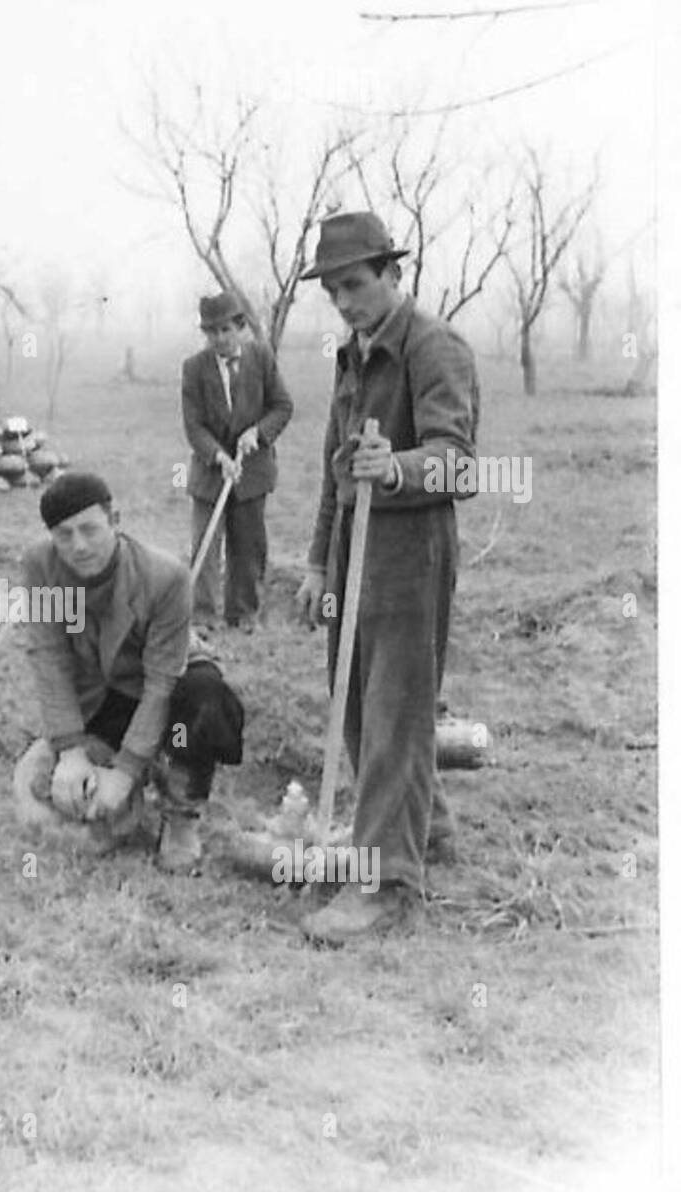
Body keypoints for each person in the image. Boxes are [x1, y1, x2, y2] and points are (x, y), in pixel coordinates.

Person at [292, 213, 479, 943]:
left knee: (395, 711)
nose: (344, 300)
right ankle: (425, 825)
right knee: (358, 706)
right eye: (333, 289)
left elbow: (459, 463)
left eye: (356, 284)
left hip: (410, 555)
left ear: (393, 275)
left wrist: (395, 467)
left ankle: (384, 886)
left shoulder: (435, 348)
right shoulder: (353, 354)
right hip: (350, 554)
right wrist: (315, 561)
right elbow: (335, 472)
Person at [15, 471, 244, 872]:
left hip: (171, 678)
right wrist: (70, 751)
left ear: (115, 520)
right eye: (64, 534)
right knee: (43, 779)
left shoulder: (165, 576)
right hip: (105, 687)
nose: (78, 545)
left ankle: (181, 814)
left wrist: (124, 773)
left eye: (89, 529)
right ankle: (113, 759)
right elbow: (49, 656)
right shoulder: (42, 565)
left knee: (203, 699)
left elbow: (160, 683)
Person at [181, 290, 294, 632]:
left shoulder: (262, 358)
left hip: (252, 470)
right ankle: (202, 617)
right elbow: (194, 425)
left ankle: (243, 615)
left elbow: (282, 406)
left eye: (225, 330)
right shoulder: (194, 368)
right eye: (211, 332)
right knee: (206, 543)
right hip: (210, 473)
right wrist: (217, 455)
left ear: (240, 326)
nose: (219, 339)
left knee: (248, 547)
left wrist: (257, 434)